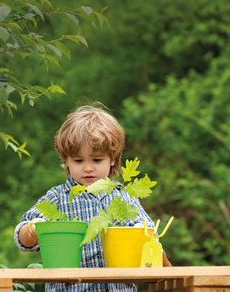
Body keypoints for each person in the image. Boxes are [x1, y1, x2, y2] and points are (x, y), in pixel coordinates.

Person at [14, 105, 170, 292]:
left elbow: (149, 234)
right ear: (66, 160)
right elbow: (22, 237)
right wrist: (30, 231)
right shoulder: (57, 198)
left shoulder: (123, 197)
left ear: (112, 159)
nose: (88, 168)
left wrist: (140, 233)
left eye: (97, 160)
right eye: (79, 161)